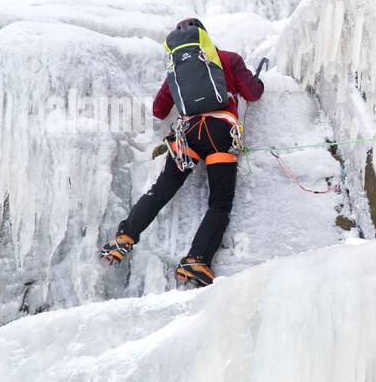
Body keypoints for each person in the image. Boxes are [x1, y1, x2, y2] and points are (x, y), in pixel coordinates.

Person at [99, 18, 264, 287]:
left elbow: (158, 110)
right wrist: (256, 82)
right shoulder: (229, 59)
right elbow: (252, 94)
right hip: (220, 133)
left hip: (188, 135)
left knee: (161, 189)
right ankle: (196, 260)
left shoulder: (177, 70)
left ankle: (124, 237)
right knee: (219, 202)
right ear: (205, 39)